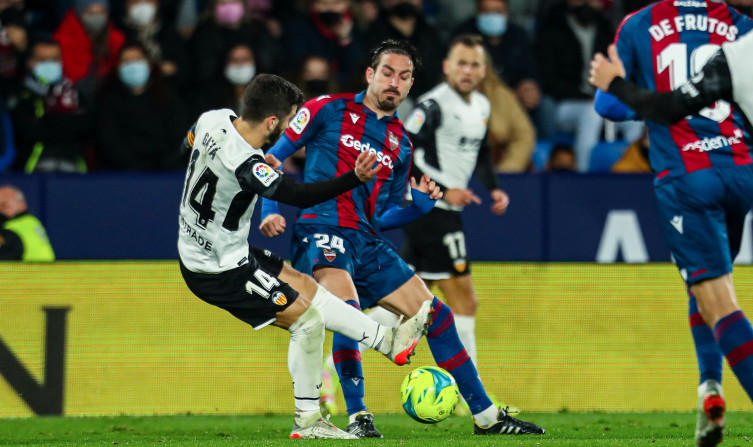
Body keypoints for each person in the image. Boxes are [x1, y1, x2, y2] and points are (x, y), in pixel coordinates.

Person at [259, 39, 546, 438]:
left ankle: (487, 417)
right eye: (388, 72)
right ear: (370, 75)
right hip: (321, 228)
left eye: (405, 76)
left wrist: (421, 208)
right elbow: (271, 158)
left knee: (437, 317)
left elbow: (383, 215)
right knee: (349, 311)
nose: (395, 82)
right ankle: (359, 416)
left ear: (411, 84)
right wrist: (269, 210)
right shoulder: (327, 109)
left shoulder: (401, 143)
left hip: (366, 238)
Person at [178, 73, 433, 440]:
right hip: (217, 270)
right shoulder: (249, 165)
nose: (288, 131)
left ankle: (386, 340)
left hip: (221, 249)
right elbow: (298, 195)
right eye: (286, 122)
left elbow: (185, 145)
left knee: (305, 285)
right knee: (307, 321)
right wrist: (354, 178)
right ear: (271, 122)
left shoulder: (211, 119)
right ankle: (308, 420)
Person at [589, 0, 753, 445]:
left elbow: (606, 104)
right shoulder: (742, 24)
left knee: (718, 299)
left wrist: (629, 87)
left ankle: (718, 387)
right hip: (742, 173)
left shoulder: (640, 24)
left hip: (687, 175)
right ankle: (710, 387)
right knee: (706, 283)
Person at [401, 34, 509, 375]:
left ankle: (335, 362)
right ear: (447, 67)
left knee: (405, 303)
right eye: (461, 63)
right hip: (432, 211)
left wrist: (493, 188)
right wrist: (445, 191)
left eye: (475, 64)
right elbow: (403, 154)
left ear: (484, 70)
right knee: (465, 299)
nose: (467, 70)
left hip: (440, 211)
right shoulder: (432, 105)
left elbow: (481, 152)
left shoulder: (482, 105)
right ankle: (473, 394)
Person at [535, 0, 614, 171]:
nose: (587, 6)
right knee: (591, 113)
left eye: (592, 0)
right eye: (581, 0)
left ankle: (633, 176)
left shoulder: (605, 29)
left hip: (599, 100)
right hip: (562, 105)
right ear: (571, 0)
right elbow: (548, 80)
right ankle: (582, 175)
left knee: (635, 119)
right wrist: (584, 96)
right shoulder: (553, 29)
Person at [95, 42, 187, 170]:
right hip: (121, 174)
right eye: (126, 61)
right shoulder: (108, 100)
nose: (132, 65)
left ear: (149, 65)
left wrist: (163, 166)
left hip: (165, 173)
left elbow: (179, 135)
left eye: (137, 60)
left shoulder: (168, 97)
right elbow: (109, 141)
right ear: (118, 68)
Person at [9, 38, 90, 173]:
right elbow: (27, 132)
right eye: (42, 60)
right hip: (32, 172)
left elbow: (85, 130)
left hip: (74, 170)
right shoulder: (21, 95)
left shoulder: (75, 94)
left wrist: (46, 119)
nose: (50, 65)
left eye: (54, 59)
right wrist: (64, 119)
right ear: (30, 62)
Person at [53, 0, 125, 100]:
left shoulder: (116, 38)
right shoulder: (62, 40)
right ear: (79, 13)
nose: (97, 17)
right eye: (90, 12)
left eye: (101, 12)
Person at [0, 185, 54, 261]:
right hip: (48, 271)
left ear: (22, 204)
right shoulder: (31, 221)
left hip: (32, 272)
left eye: (4, 206)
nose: (1, 210)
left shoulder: (13, 231)